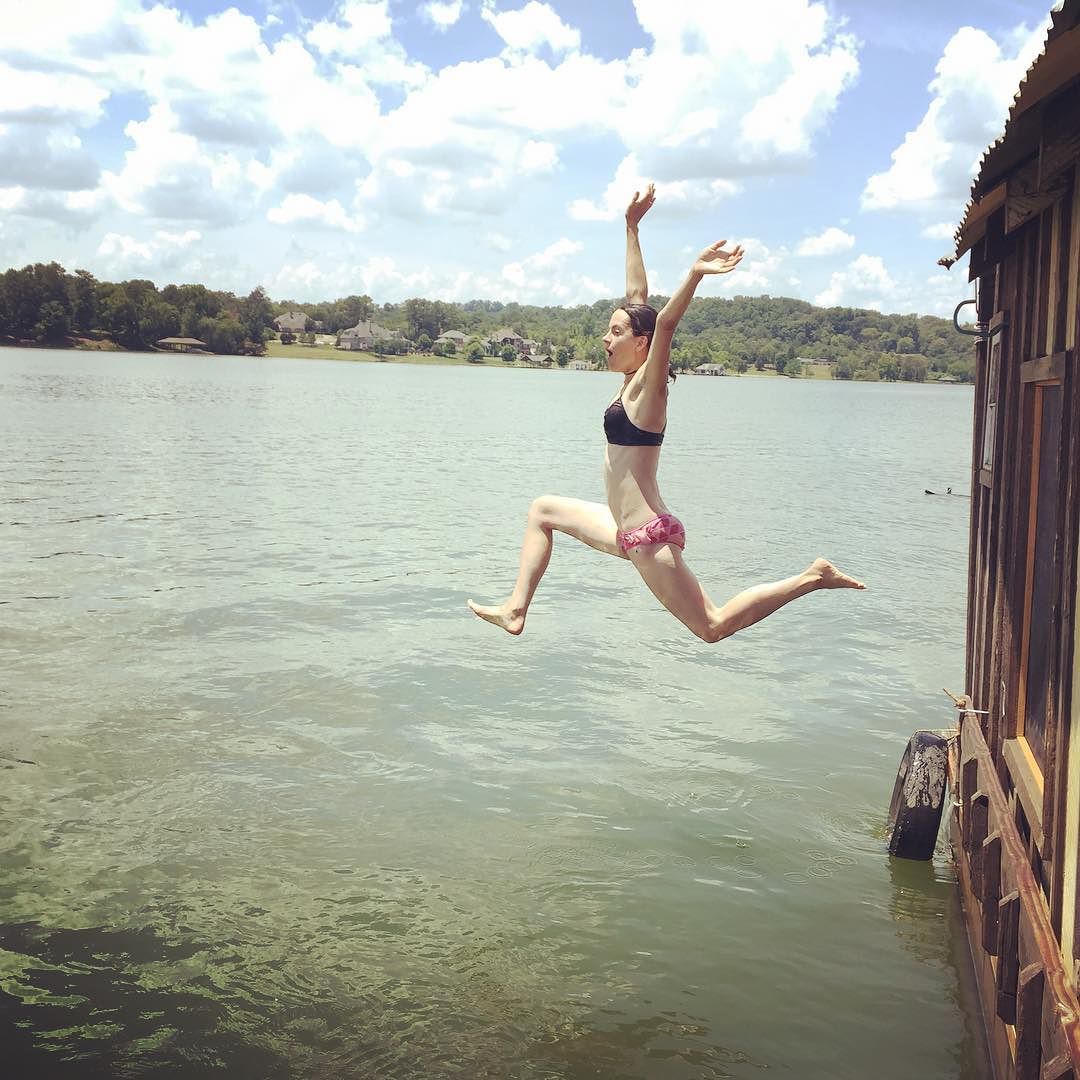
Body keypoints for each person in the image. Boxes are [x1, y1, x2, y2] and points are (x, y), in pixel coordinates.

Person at [468, 183, 864, 640]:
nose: (604, 338)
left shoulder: (649, 390)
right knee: (543, 510)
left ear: (642, 344)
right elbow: (638, 294)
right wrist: (631, 227)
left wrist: (694, 276)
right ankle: (516, 610)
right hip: (622, 527)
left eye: (614, 332)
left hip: (648, 538)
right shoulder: (627, 382)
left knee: (711, 626)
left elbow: (666, 324)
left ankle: (811, 577)